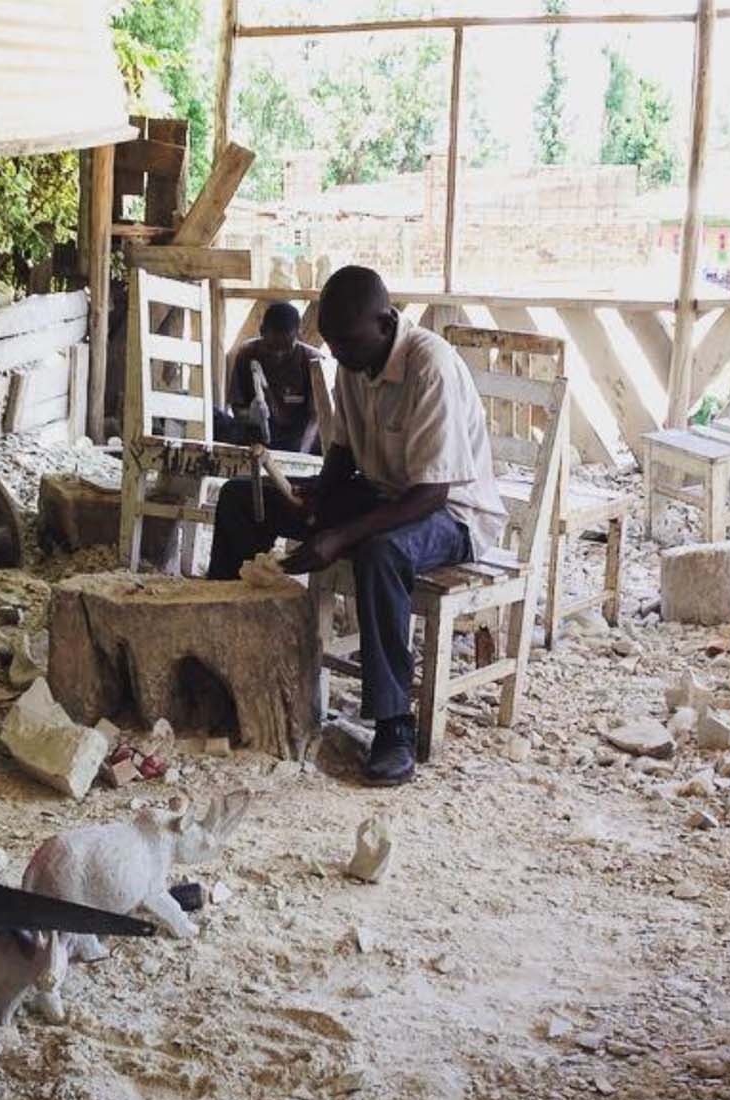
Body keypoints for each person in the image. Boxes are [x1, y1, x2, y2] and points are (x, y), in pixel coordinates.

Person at [206, 265, 505, 787]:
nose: (339, 354)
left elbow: (431, 491)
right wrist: (319, 493)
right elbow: (343, 445)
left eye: (348, 342)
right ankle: (219, 662)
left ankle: (393, 727)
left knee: (380, 552)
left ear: (386, 323)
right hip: (385, 496)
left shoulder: (429, 365)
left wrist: (341, 534)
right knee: (241, 499)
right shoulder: (351, 359)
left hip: (451, 514)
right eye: (334, 344)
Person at [215, 301, 324, 454]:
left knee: (333, 443)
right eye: (271, 347)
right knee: (216, 421)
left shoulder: (312, 359)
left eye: (286, 348)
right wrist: (251, 415)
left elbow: (316, 417)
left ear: (298, 335)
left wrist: (301, 454)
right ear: (261, 331)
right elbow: (237, 408)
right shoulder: (247, 353)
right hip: (260, 434)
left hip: (299, 436)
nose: (278, 355)